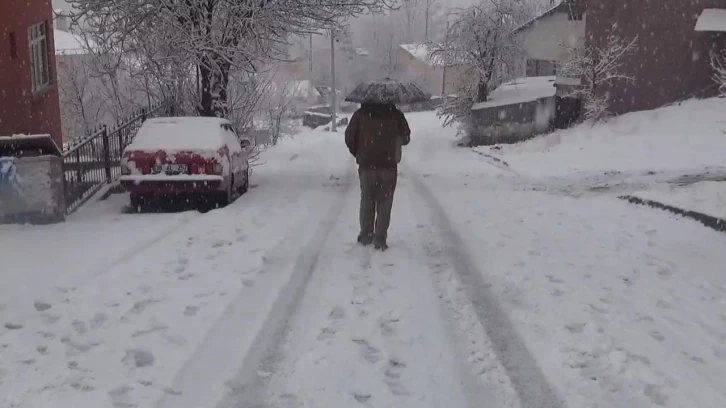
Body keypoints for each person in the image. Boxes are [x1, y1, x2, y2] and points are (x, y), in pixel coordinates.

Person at [344, 102, 411, 251]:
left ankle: (366, 235)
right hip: (389, 166)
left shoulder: (360, 115)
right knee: (385, 203)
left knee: (367, 200)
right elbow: (406, 137)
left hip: (367, 166)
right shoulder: (396, 115)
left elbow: (349, 137)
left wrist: (359, 152)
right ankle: (380, 239)